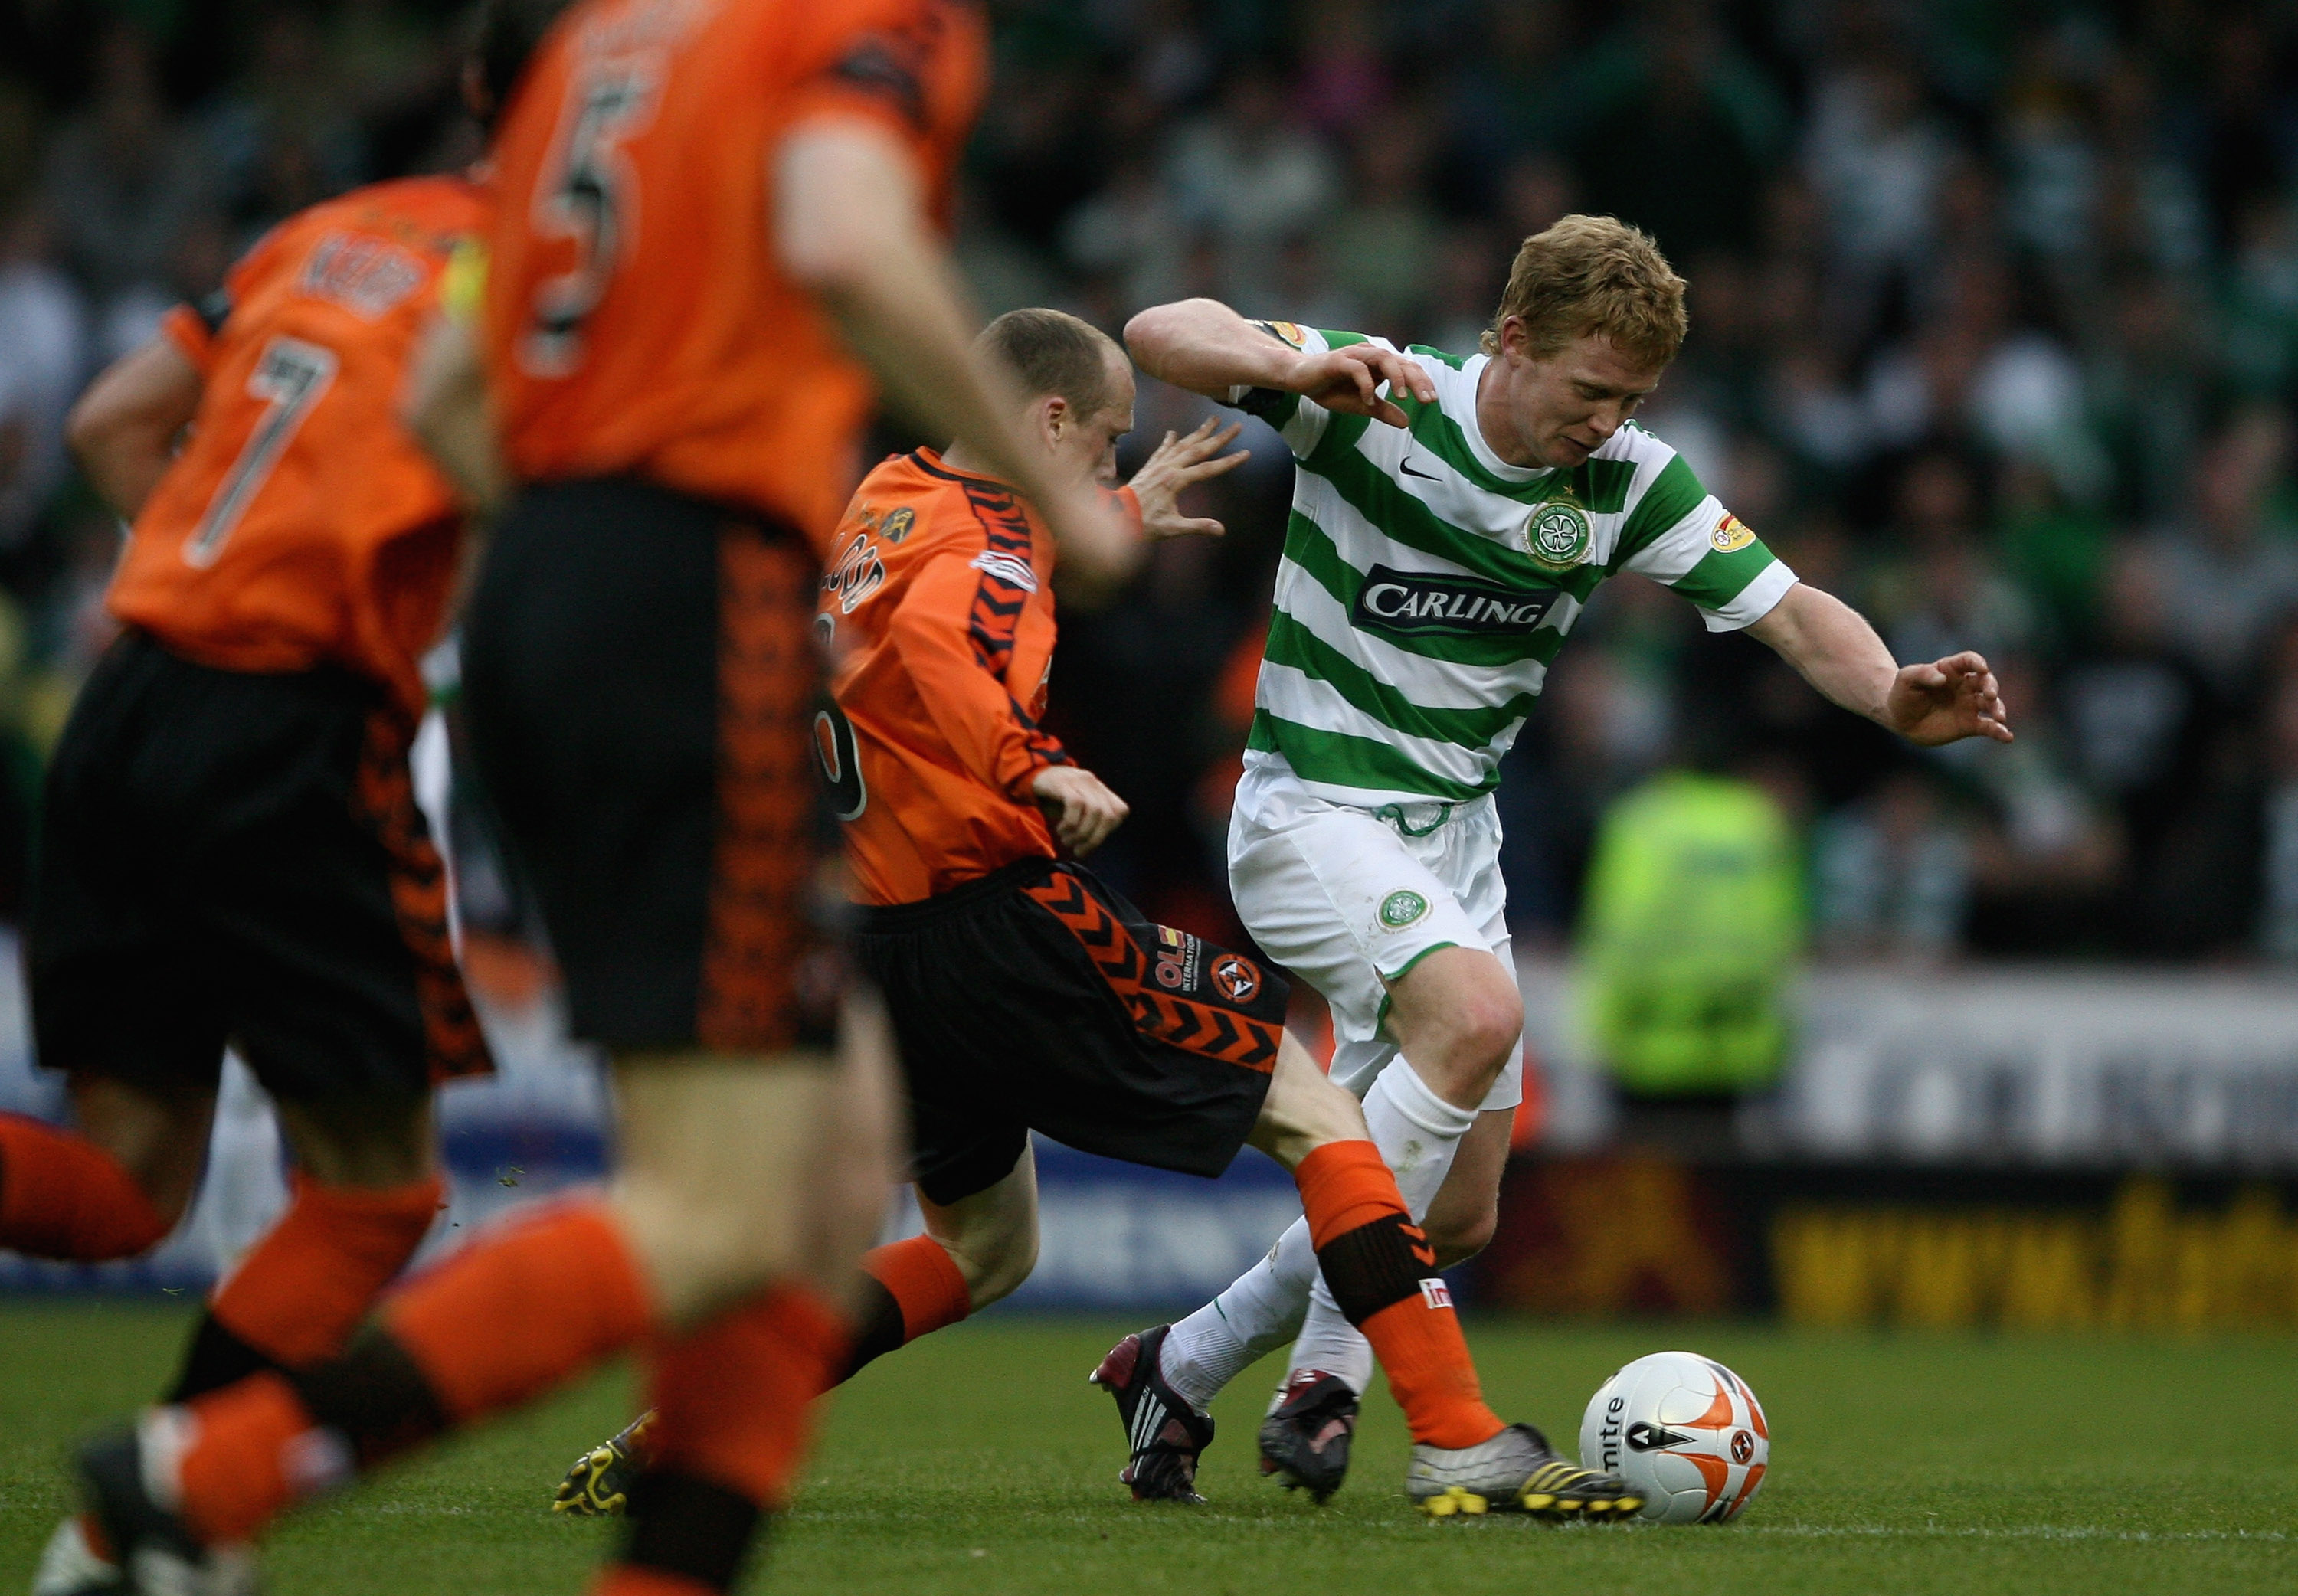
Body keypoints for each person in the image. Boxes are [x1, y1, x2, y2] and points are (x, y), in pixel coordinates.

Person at [66, 3, 1137, 1594]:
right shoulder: (858, 25)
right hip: (689, 586)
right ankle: (201, 1474)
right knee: (730, 1207)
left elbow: (448, 403)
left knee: (836, 1177)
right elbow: (845, 236)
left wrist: (578, 572)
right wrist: (1061, 498)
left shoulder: (597, 56)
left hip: (572, 581)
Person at [552, 308, 1642, 1523]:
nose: (1116, 467)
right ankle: (1456, 1436)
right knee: (1321, 1113)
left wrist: (1117, 515)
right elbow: (947, 636)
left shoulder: (890, 497)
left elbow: (931, 588)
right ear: (1046, 421)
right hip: (998, 918)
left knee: (985, 1251)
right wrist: (1033, 764)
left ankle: (699, 1424)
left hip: (873, 939)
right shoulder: (998, 549)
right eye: (1109, 443)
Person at [1118, 214, 2013, 1501]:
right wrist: (1294, 367)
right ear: (1511, 339)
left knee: (1462, 1214)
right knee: (1475, 1018)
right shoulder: (1381, 395)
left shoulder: (1631, 482)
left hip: (1453, 843)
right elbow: (1161, 333)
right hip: (1311, 810)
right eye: (1591, 391)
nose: (1606, 421)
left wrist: (1891, 694)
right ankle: (1345, 1385)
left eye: (1632, 398)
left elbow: (1792, 610)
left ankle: (1178, 1367)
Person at [15, 7, 571, 1588]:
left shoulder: (321, 233)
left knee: (127, 1183)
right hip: (297, 722)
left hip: (130, 698)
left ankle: (153, 1529)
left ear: (469, 88)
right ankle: (165, 1519)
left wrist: (212, 582)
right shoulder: (547, 278)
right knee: (379, 1187)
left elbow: (111, 421)